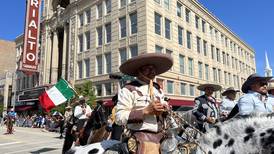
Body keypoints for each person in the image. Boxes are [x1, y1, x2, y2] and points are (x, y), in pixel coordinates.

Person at [115, 53, 173, 154]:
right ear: (139, 71)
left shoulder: (158, 90)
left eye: (154, 68)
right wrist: (145, 111)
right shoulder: (129, 89)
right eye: (148, 68)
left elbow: (165, 112)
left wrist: (165, 109)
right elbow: (119, 117)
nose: (153, 71)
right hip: (141, 137)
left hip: (162, 137)